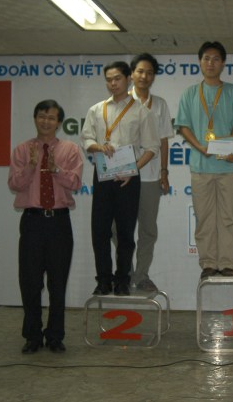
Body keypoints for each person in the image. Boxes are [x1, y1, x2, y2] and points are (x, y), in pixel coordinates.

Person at [7, 100, 83, 353]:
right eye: (41, 116)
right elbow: (14, 184)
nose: (46, 122)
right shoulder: (22, 150)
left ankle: (55, 336)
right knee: (30, 283)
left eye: (51, 118)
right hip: (32, 221)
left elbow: (75, 183)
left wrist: (55, 169)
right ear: (35, 119)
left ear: (59, 123)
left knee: (57, 284)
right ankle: (32, 336)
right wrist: (32, 166)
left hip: (59, 222)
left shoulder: (70, 150)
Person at [81, 61, 160, 296]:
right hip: (103, 175)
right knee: (100, 231)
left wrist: (132, 169)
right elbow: (86, 139)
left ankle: (123, 280)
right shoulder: (96, 109)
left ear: (128, 79)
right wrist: (98, 146)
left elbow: (152, 147)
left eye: (117, 78)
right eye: (109, 79)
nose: (112, 83)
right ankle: (103, 280)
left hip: (128, 178)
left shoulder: (142, 111)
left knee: (125, 232)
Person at [174, 41, 233, 279]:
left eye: (216, 59)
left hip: (229, 165)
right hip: (201, 165)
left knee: (228, 216)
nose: (210, 63)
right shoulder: (190, 93)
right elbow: (183, 126)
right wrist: (200, 147)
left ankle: (227, 263)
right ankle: (208, 263)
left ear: (223, 63)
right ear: (200, 62)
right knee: (204, 217)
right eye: (206, 58)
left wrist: (232, 148)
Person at [127, 53, 174, 292]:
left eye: (149, 73)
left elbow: (164, 141)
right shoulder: (122, 102)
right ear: (131, 74)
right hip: (123, 176)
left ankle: (141, 275)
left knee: (147, 230)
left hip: (150, 177)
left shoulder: (160, 104)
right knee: (119, 229)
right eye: (140, 71)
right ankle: (125, 273)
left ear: (153, 77)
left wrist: (164, 173)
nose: (144, 76)